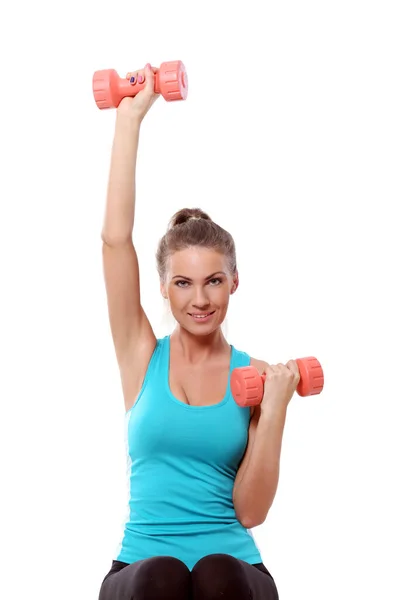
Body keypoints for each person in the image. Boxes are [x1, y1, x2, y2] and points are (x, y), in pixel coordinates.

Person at [98, 63, 300, 600]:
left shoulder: (258, 377)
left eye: (214, 281)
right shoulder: (140, 355)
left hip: (236, 572)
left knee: (217, 573)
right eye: (183, 283)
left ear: (235, 281)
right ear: (163, 288)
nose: (201, 299)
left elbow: (251, 510)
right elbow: (116, 242)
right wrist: (130, 121)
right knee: (162, 575)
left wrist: (275, 409)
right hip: (139, 568)